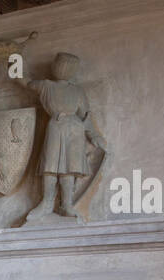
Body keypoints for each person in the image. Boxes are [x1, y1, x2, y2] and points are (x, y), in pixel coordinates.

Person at [26, 52, 105, 220]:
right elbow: (26, 83)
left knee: (69, 169)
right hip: (56, 127)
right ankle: (46, 202)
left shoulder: (77, 91)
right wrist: (13, 63)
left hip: (74, 130)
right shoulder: (47, 86)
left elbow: (86, 116)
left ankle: (66, 204)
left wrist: (94, 136)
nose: (62, 69)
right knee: (50, 166)